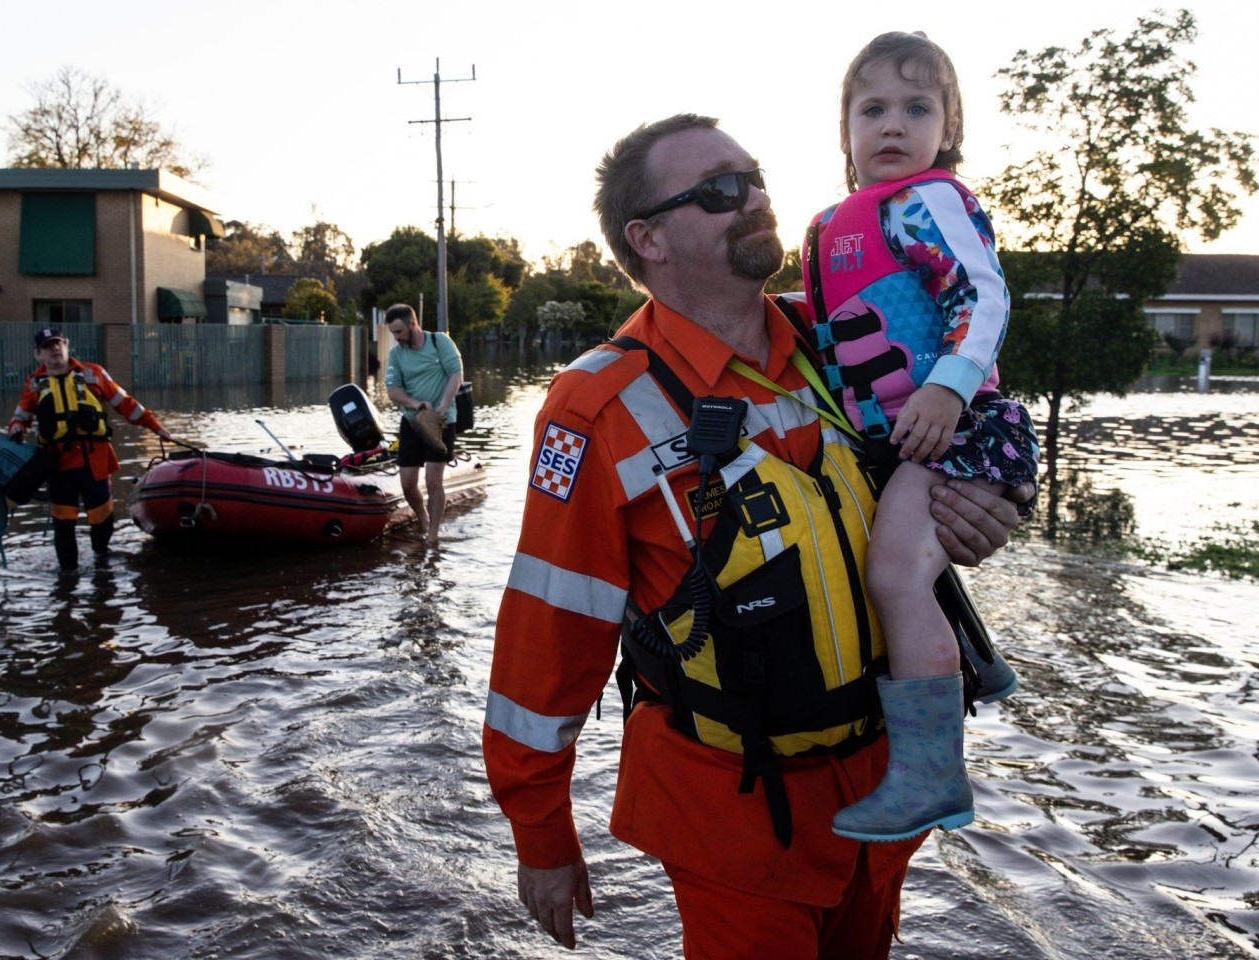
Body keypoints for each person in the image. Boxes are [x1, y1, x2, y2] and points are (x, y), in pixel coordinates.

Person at [483, 113, 1034, 959]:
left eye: (756, 178)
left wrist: (988, 512)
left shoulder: (843, 343)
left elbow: (946, 460)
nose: (757, 199)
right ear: (649, 239)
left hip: (886, 792)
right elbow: (548, 631)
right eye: (719, 191)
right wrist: (542, 834)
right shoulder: (597, 409)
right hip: (734, 818)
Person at [800, 32, 1040, 844]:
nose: (892, 124)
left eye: (916, 107)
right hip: (905, 439)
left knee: (895, 571)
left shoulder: (929, 203)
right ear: (845, 132)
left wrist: (945, 384)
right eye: (872, 109)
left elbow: (984, 294)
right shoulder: (841, 224)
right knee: (903, 565)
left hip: (957, 426)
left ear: (949, 126)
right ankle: (981, 665)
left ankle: (934, 777)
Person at [7, 326, 172, 571]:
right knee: (63, 525)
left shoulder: (93, 374)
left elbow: (125, 404)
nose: (54, 349)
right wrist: (16, 428)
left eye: (58, 343)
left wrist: (155, 427)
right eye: (47, 346)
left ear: (66, 345)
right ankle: (68, 577)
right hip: (58, 465)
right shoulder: (34, 385)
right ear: (38, 355)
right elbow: (21, 415)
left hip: (94, 462)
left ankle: (101, 560)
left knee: (103, 520)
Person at [382, 303, 464, 547]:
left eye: (399, 332)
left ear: (412, 324)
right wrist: (415, 403)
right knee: (407, 482)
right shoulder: (397, 354)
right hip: (412, 421)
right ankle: (424, 520)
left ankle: (433, 535)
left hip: (442, 421)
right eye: (393, 333)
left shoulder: (440, 343)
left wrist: (440, 408)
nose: (396, 338)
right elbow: (392, 390)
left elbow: (455, 375)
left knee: (432, 480)